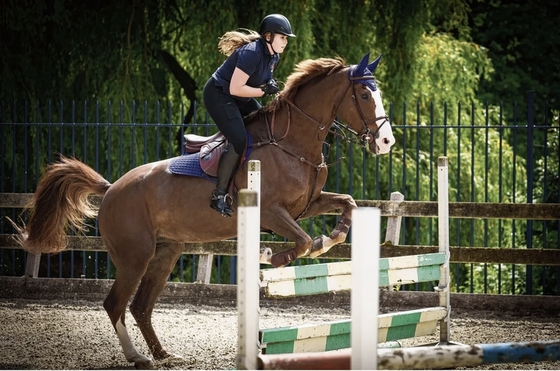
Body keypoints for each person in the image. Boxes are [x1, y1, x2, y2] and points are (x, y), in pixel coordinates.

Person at [203, 14, 296, 217]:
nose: (286, 41)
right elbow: (236, 88)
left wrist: (268, 86)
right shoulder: (252, 53)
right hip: (219, 94)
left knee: (264, 124)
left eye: (287, 38)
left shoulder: (273, 56)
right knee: (238, 139)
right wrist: (264, 91)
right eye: (283, 37)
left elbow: (256, 83)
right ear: (269, 36)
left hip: (236, 97)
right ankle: (219, 195)